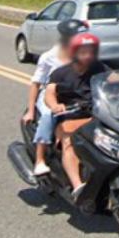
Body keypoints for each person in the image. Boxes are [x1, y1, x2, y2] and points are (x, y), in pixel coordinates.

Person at [45, 32, 108, 202]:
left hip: (95, 116)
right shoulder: (61, 73)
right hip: (69, 118)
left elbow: (117, 81)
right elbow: (49, 92)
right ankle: (77, 186)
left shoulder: (99, 68)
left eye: (91, 51)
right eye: (83, 51)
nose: (88, 55)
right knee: (68, 142)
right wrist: (55, 105)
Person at [22, 19, 87, 176]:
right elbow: (36, 84)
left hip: (75, 92)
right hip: (51, 93)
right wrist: (31, 111)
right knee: (49, 114)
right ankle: (40, 160)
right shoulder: (49, 56)